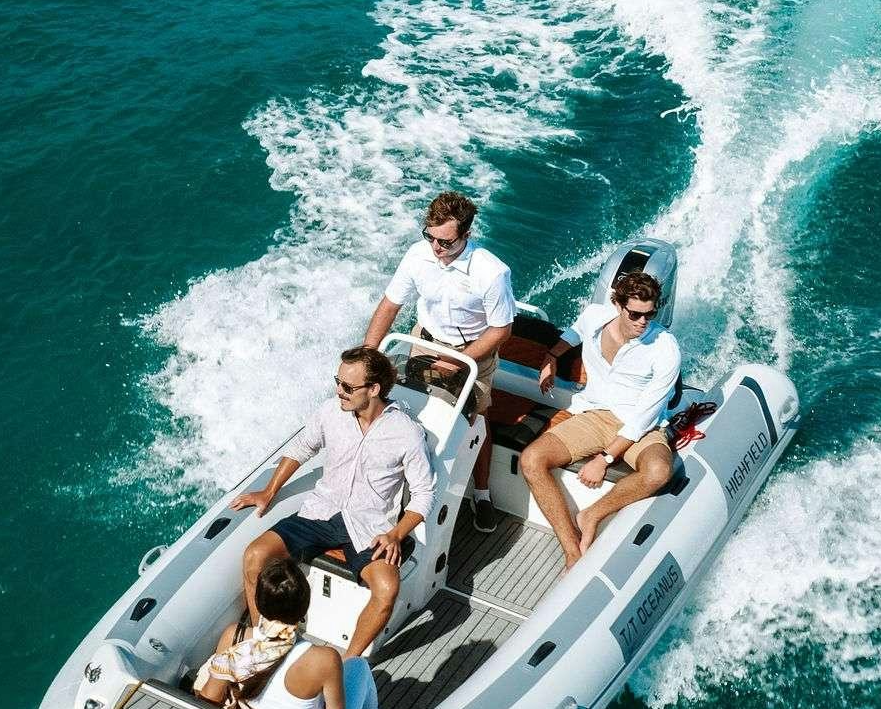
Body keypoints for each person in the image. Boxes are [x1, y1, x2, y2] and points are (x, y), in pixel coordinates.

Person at [232, 345, 435, 672]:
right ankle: (264, 643)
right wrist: (269, 491)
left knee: (387, 588)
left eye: (347, 387)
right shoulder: (330, 412)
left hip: (368, 528)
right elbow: (302, 447)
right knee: (255, 556)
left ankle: (347, 662)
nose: (339, 391)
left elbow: (425, 493)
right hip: (320, 513)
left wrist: (396, 534)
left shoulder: (406, 433)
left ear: (374, 390)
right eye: (337, 382)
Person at [363, 190, 514, 532]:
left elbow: (501, 330)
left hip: (473, 350)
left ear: (466, 235)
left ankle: (482, 492)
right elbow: (390, 306)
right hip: (424, 342)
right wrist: (368, 355)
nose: (437, 248)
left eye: (445, 241)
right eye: (430, 237)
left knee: (476, 419)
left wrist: (459, 361)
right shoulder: (418, 256)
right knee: (408, 413)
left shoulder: (491, 272)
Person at [519, 271, 681, 567]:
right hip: (593, 415)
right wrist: (551, 358)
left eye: (650, 314)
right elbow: (572, 334)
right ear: (618, 305)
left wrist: (604, 459)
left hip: (640, 427)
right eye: (635, 314)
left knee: (658, 471)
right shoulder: (595, 316)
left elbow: (642, 418)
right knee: (531, 460)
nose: (643, 322)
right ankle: (571, 550)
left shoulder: (665, 348)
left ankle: (592, 514)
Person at [193, 558, 383, 709]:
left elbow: (211, 697)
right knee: (359, 666)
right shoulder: (324, 658)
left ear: (259, 602)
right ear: (305, 607)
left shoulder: (234, 636)